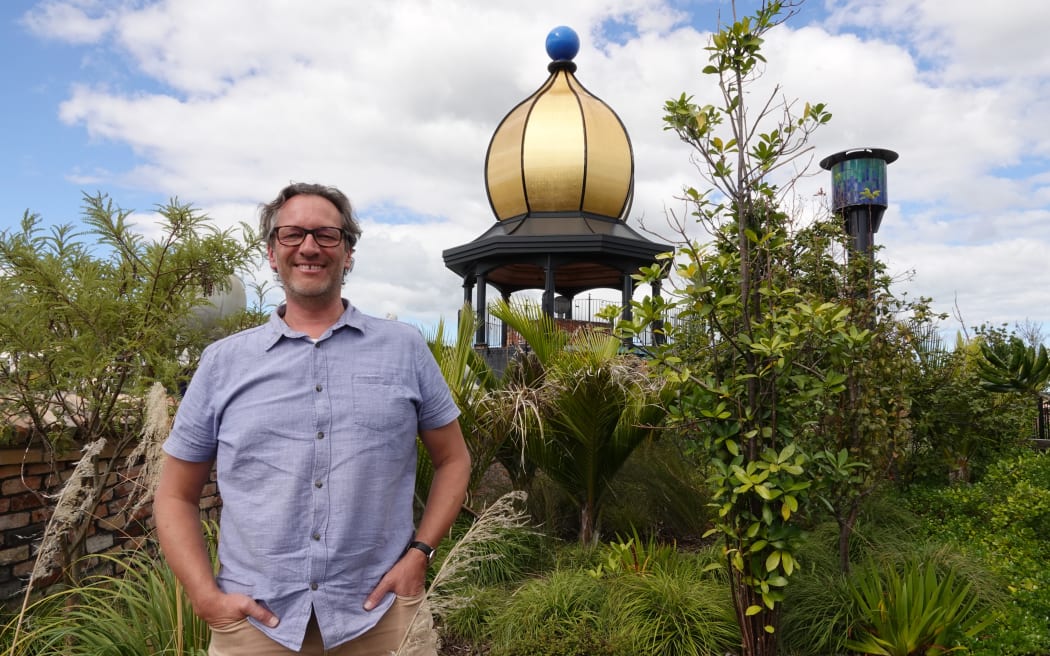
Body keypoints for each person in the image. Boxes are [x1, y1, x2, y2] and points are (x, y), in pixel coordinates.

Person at [154, 182, 470, 655]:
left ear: (348, 253)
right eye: (292, 234)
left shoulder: (404, 349)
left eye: (326, 235)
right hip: (257, 626)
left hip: (381, 615)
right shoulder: (223, 363)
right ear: (271, 252)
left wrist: (419, 555)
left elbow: (454, 460)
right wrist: (204, 596)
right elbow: (175, 493)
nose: (309, 246)